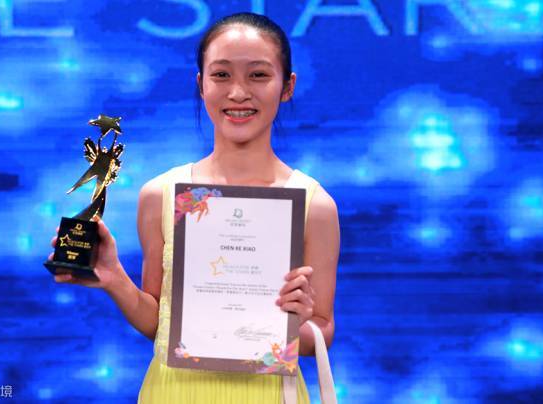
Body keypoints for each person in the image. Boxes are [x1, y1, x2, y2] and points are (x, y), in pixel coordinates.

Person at [49, 12, 340, 404]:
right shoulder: (161, 194)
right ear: (201, 84)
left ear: (287, 86)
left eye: (258, 75)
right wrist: (116, 279)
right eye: (221, 75)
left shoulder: (313, 204)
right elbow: (159, 324)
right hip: (174, 391)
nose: (238, 92)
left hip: (269, 393)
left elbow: (323, 330)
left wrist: (294, 324)